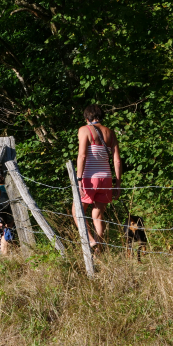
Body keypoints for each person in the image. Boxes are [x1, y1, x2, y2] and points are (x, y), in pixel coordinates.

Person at [72, 104, 122, 253]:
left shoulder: (84, 130)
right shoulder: (111, 133)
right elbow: (117, 161)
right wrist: (117, 184)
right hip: (106, 178)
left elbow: (82, 155)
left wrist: (79, 179)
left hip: (89, 178)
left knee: (77, 211)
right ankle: (98, 251)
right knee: (98, 215)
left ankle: (90, 240)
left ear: (87, 117)